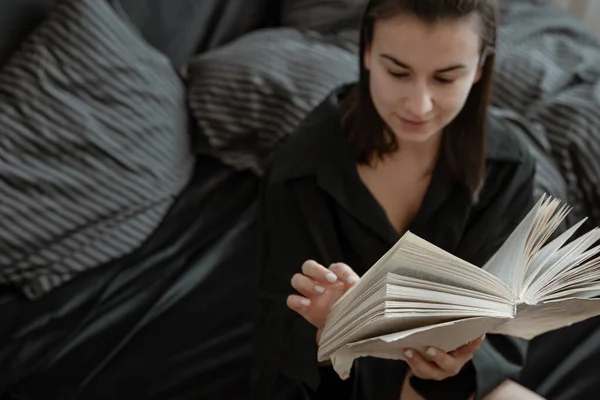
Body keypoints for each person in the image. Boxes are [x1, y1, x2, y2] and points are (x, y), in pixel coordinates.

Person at [251, 0, 545, 399]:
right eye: (398, 72)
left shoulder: (507, 167)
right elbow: (278, 336)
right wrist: (326, 328)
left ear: (478, 69)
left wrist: (457, 364)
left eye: (445, 79)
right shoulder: (301, 170)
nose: (418, 105)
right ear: (367, 51)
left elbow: (502, 322)